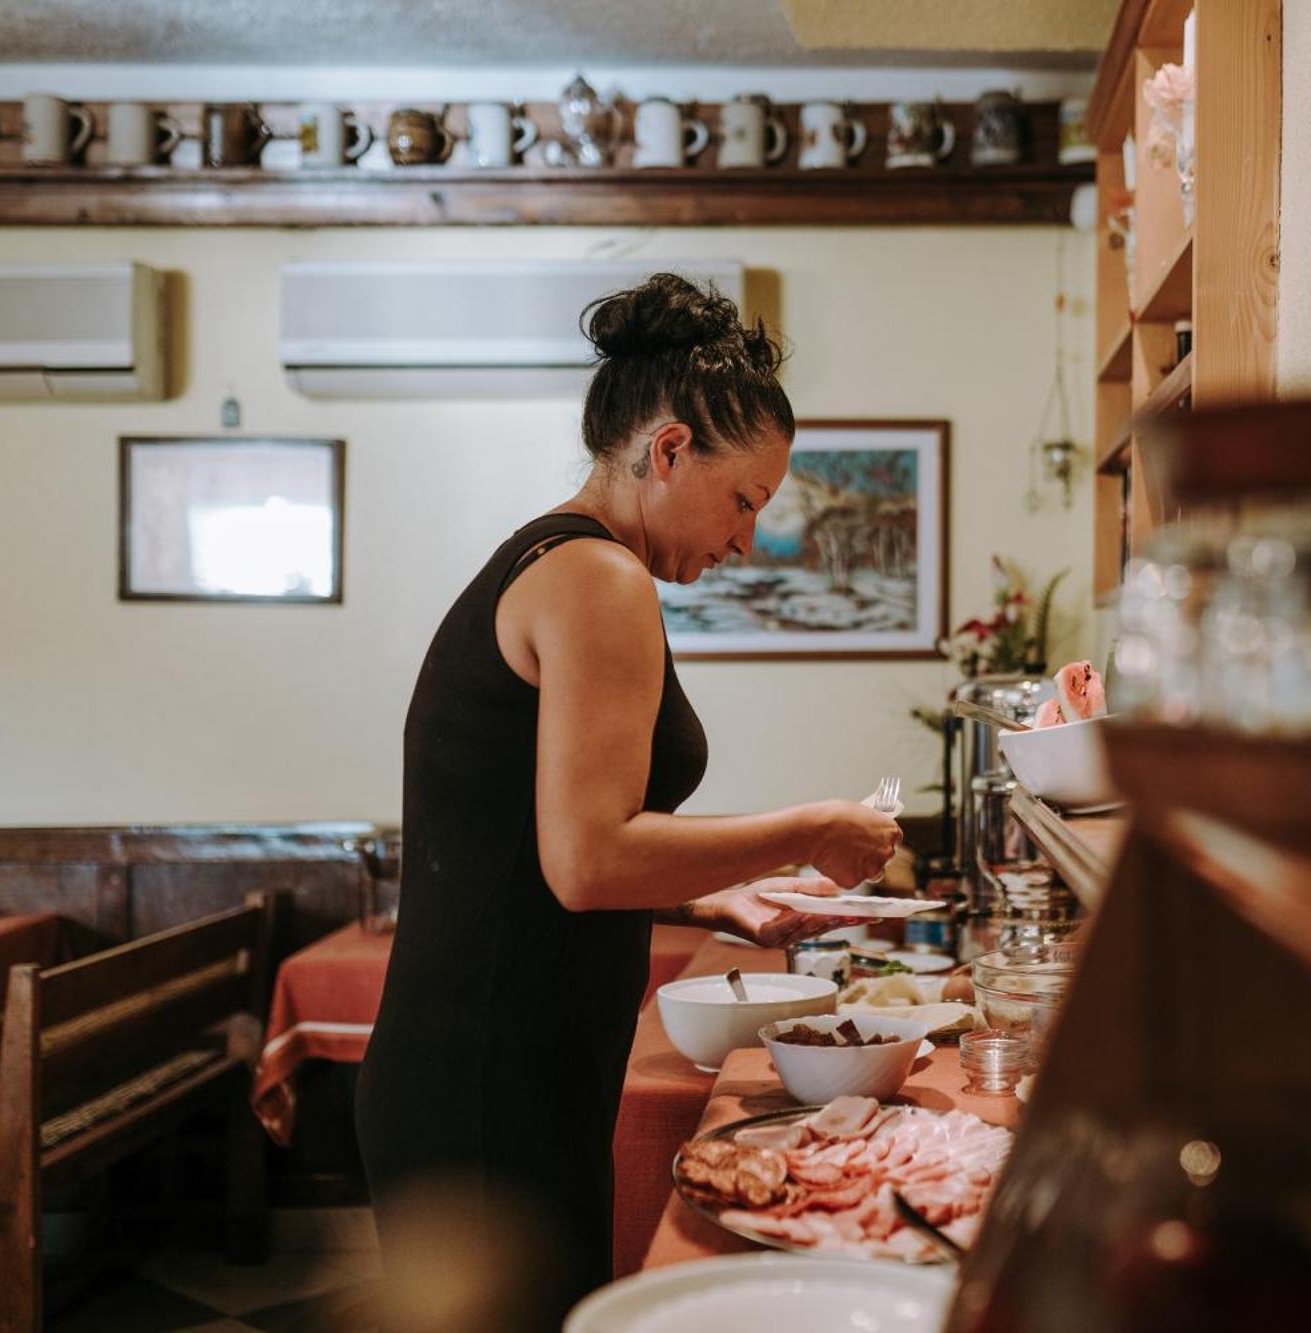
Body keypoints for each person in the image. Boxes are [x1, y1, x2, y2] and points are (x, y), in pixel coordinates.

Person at [355, 272, 903, 1326]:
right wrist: (812, 828)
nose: (744, 540)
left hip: (497, 1057)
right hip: (486, 1077)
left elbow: (530, 852)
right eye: (744, 500)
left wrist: (711, 901)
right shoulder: (595, 578)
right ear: (667, 451)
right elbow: (588, 858)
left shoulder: (562, 560)